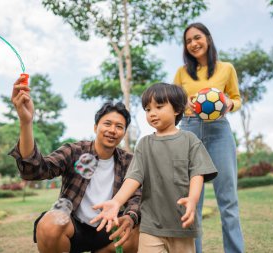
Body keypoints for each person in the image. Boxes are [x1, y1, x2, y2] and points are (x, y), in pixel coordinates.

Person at [8, 75, 141, 253]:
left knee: (138, 230)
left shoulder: (129, 161)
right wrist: (26, 122)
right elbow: (35, 170)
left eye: (119, 127)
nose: (112, 130)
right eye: (107, 123)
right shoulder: (75, 151)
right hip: (73, 227)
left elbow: (136, 199)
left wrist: (131, 217)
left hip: (108, 228)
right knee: (50, 223)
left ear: (124, 133)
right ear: (95, 127)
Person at [90, 83, 217, 253]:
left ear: (177, 109)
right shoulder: (144, 144)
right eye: (148, 109)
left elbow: (197, 173)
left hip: (182, 225)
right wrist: (116, 201)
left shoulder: (189, 140)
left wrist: (193, 199)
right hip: (151, 227)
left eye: (159, 106)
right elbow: (134, 177)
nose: (152, 113)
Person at [173, 22, 245, 253]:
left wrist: (227, 103)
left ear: (208, 39)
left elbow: (237, 98)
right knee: (192, 201)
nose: (193, 43)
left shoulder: (226, 68)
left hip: (219, 131)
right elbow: (174, 102)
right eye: (188, 41)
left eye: (197, 38)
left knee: (229, 201)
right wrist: (186, 105)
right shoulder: (182, 72)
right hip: (189, 130)